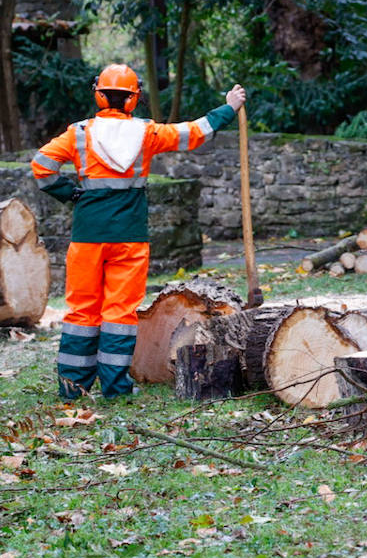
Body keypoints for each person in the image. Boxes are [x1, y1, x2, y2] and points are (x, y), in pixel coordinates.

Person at [32, 63, 246, 399]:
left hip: (87, 234)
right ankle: (116, 388)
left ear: (99, 96)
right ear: (134, 99)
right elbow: (195, 132)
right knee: (119, 312)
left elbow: (41, 166)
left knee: (81, 310)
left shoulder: (78, 133)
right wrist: (229, 107)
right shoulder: (147, 133)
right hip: (129, 237)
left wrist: (69, 193)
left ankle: (73, 387)